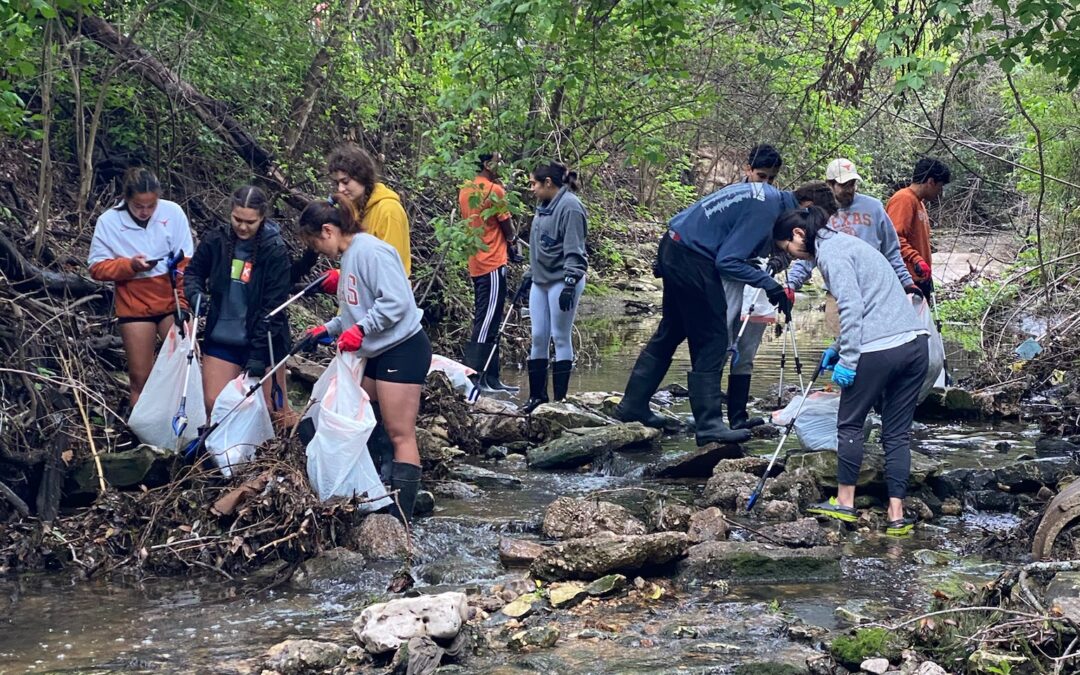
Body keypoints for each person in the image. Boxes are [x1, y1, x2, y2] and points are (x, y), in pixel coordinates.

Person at [614, 144, 795, 446]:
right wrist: (770, 284)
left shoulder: (747, 193)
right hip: (693, 259)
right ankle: (709, 424)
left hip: (674, 246)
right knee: (713, 338)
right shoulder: (765, 203)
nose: (765, 183)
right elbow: (728, 260)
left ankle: (632, 405)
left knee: (671, 331)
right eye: (761, 175)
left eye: (770, 178)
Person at [773, 207, 929, 536]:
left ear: (799, 235)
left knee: (850, 423)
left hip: (879, 349)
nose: (792, 256)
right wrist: (839, 344)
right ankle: (896, 515)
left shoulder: (832, 253)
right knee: (897, 433)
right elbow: (873, 302)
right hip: (915, 345)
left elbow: (852, 306)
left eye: (788, 249)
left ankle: (845, 503)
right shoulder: (850, 243)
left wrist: (848, 359)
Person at [298, 197, 431, 523]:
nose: (316, 249)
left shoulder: (370, 251)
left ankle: (402, 520)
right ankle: (376, 493)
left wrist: (362, 329)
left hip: (403, 347)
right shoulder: (349, 259)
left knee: (401, 433)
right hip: (377, 351)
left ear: (328, 231)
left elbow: (398, 302)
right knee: (363, 413)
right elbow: (354, 311)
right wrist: (326, 330)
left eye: (314, 241)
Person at [183, 186, 292, 419]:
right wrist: (195, 294)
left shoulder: (275, 250)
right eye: (237, 219)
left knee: (274, 411)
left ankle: (273, 453)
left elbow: (273, 308)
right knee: (214, 403)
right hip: (223, 335)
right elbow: (193, 273)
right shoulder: (216, 239)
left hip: (264, 340)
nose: (242, 227)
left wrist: (258, 354)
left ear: (262, 217)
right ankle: (221, 452)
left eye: (250, 222)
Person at [88, 167, 194, 406]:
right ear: (126, 199)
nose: (145, 211)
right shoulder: (109, 221)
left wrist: (184, 302)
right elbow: (96, 268)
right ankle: (141, 433)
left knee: (185, 366)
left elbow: (186, 261)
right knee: (140, 377)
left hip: (171, 301)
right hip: (135, 305)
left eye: (151, 206)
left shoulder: (173, 213)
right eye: (138, 206)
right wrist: (130, 266)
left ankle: (186, 425)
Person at [785, 159, 920, 299]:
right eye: (844, 185)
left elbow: (891, 251)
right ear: (829, 184)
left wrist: (907, 283)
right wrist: (791, 284)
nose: (849, 190)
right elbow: (809, 255)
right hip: (837, 294)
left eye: (852, 184)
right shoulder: (818, 214)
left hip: (875, 293)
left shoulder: (874, 208)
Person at [521, 161, 588, 413]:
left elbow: (574, 248)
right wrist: (530, 273)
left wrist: (571, 281)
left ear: (548, 183)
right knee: (538, 335)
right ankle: (537, 397)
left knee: (560, 335)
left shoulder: (571, 207)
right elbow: (540, 246)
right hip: (541, 279)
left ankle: (560, 400)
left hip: (564, 278)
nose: (532, 189)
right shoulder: (542, 207)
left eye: (533, 184)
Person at [301, 143, 411, 286]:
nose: (340, 189)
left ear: (362, 176)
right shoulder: (352, 209)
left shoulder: (389, 211)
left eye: (345, 182)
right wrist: (341, 276)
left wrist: (343, 278)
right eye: (337, 183)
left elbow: (392, 273)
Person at [459, 152, 520, 393]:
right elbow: (506, 225)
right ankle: (476, 379)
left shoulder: (466, 188)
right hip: (491, 262)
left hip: (476, 261)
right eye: (498, 161)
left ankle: (493, 379)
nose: (501, 165)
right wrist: (513, 244)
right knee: (486, 322)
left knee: (491, 321)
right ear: (487, 164)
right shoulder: (495, 190)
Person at [886, 157, 951, 301]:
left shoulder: (919, 203)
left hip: (920, 278)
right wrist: (916, 260)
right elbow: (894, 238)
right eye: (940, 186)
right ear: (930, 182)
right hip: (907, 281)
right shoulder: (903, 200)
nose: (940, 192)